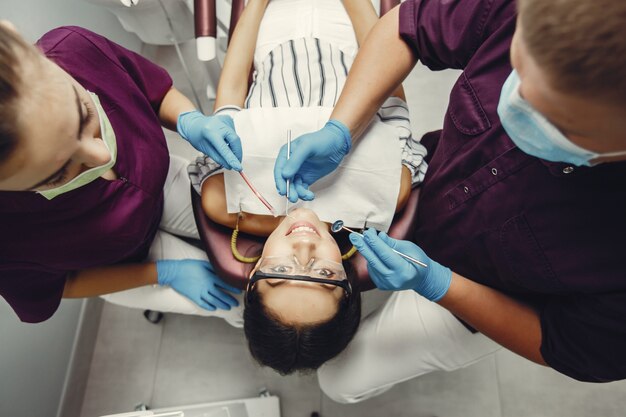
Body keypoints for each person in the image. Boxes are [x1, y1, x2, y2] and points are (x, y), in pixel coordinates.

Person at [270, 0, 626, 402]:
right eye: (515, 69)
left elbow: (562, 344)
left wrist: (436, 284)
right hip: (434, 188)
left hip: (490, 298)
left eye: (553, 118)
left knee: (339, 383)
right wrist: (341, 127)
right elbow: (406, 27)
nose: (515, 102)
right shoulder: (548, 11)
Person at [188, 0, 428, 374]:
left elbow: (231, 97)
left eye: (283, 270)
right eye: (325, 275)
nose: (304, 247)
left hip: (272, 28)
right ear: (347, 283)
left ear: (253, 279)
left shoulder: (226, 202)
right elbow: (392, 97)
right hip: (352, 35)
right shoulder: (384, 194)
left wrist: (255, 4)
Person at [0, 21, 245, 323]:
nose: (103, 156)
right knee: (241, 307)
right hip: (122, 263)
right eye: (58, 173)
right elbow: (66, 284)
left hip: (163, 185)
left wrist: (189, 119)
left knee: (250, 238)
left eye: (84, 113)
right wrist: (163, 272)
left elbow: (154, 89)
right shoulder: (6, 240)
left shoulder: (74, 48)